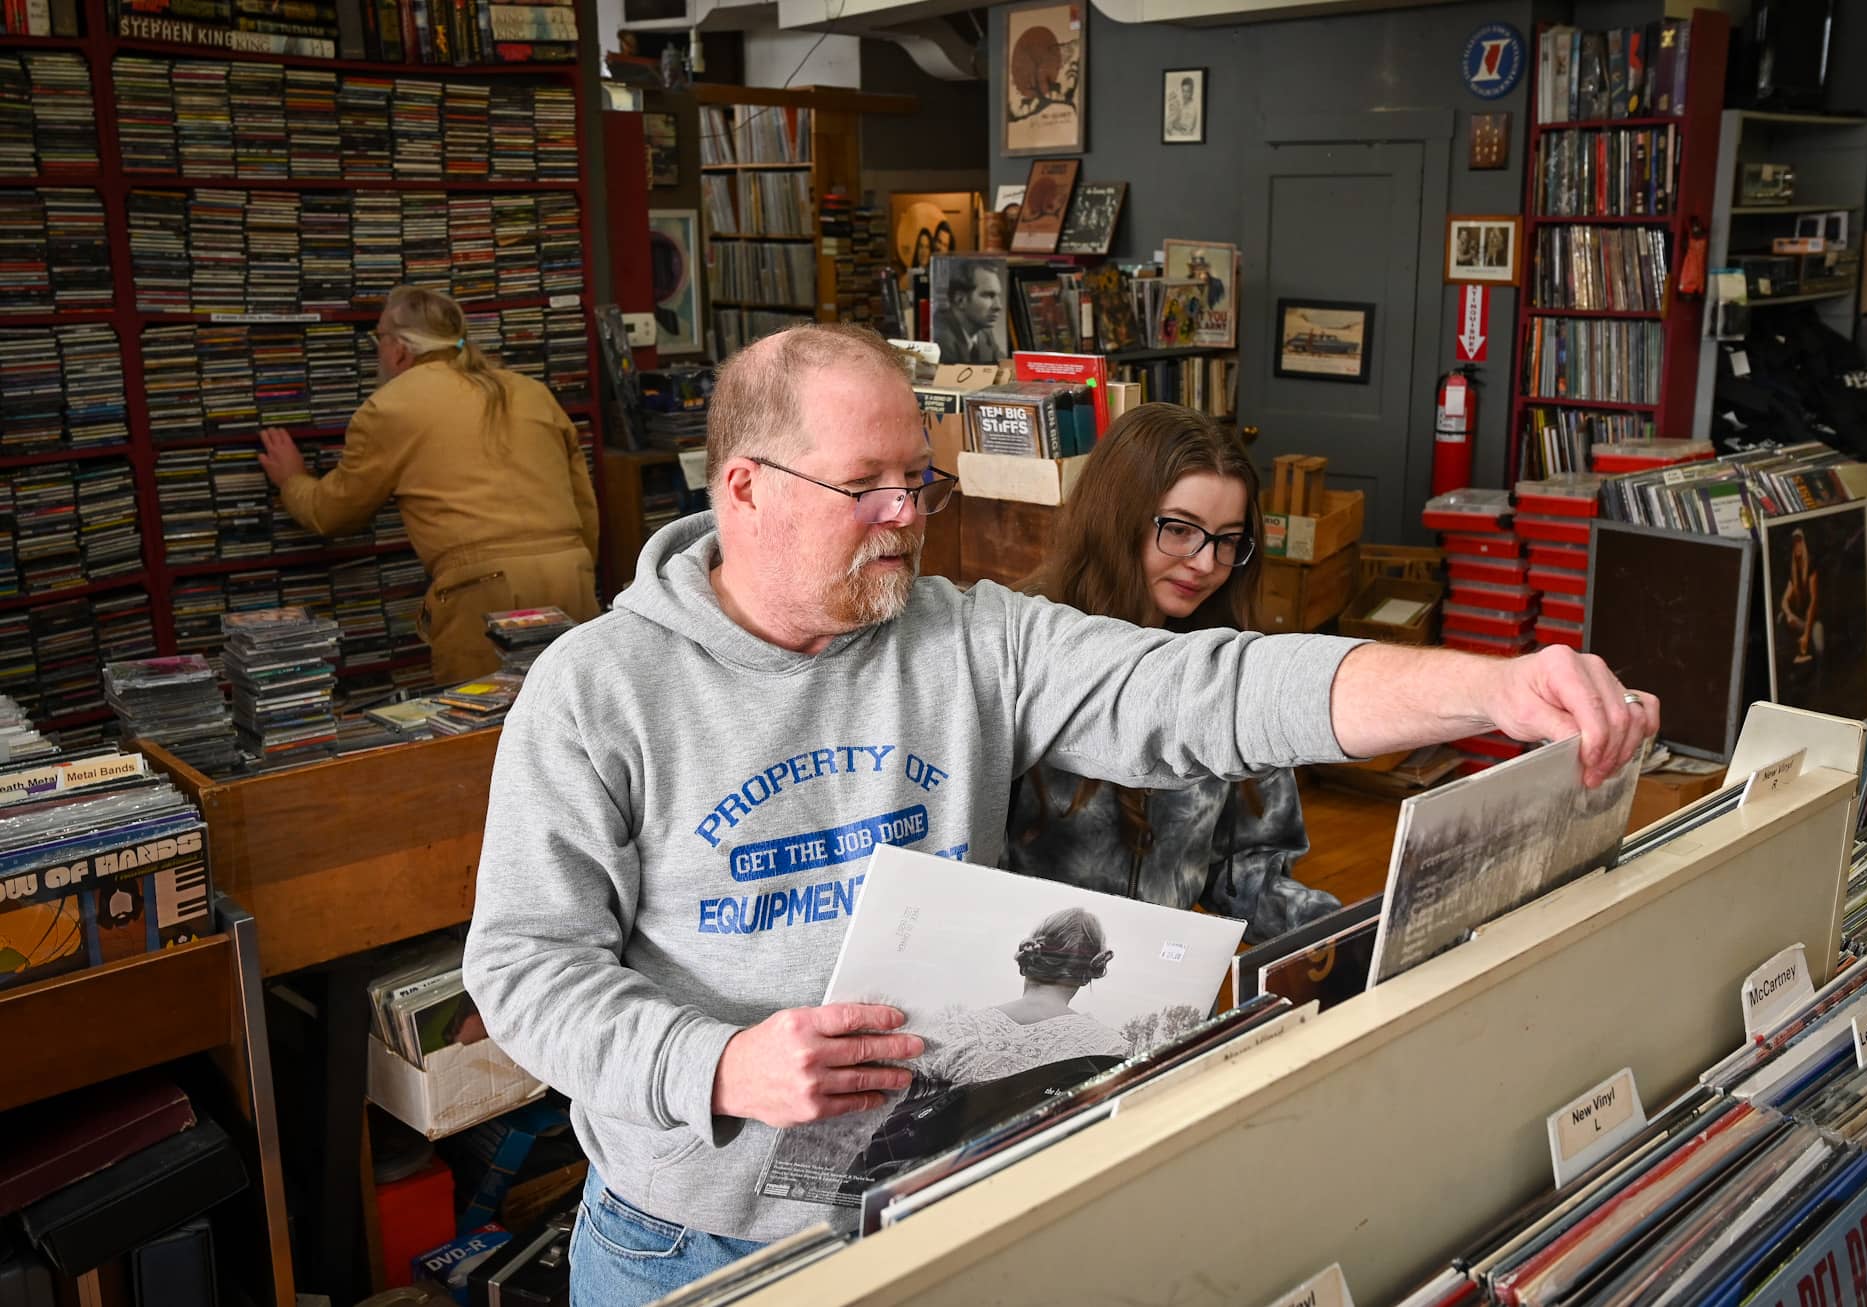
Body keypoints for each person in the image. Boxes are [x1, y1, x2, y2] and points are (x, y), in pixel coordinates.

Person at [462, 323, 1658, 1302]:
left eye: (916, 478)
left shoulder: (968, 634)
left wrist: (1490, 685)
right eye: (864, 484)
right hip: (692, 1241)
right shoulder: (598, 687)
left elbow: (1207, 686)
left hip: (931, 1205)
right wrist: (714, 1060)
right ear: (747, 490)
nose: (907, 513)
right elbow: (522, 965)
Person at [1007, 404, 1336, 943]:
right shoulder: (1019, 647)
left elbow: (1243, 873)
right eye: (1180, 530)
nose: (1206, 564)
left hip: (1168, 993)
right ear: (1119, 517)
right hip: (1024, 983)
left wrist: (1354, 931)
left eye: (1227, 540)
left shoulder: (1229, 667)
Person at [255, 285, 601, 684]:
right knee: (581, 722)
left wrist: (291, 479)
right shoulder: (533, 392)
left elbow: (332, 513)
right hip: (571, 579)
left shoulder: (390, 407)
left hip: (482, 595)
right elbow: (584, 505)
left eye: (379, 338)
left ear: (399, 349)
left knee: (487, 734)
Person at [842, 907, 1128, 1191]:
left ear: (1029, 960)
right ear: (1088, 973)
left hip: (927, 1196)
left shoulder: (955, 1033)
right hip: (1037, 1195)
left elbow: (898, 1128)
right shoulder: (1109, 1049)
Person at [932, 260, 1003, 364]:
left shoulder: (984, 334)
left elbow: (1004, 366)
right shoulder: (941, 338)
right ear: (960, 300)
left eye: (997, 296)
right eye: (988, 295)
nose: (998, 306)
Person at [1779, 528, 1822, 665]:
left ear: (1804, 544)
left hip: (1813, 620)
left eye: (1799, 542)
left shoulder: (1811, 565)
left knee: (1819, 643)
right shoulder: (1794, 569)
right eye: (1794, 543)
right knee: (1782, 617)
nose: (1797, 546)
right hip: (1801, 621)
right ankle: (1795, 655)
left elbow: (1813, 603)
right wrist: (1789, 614)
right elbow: (1785, 599)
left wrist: (1806, 635)